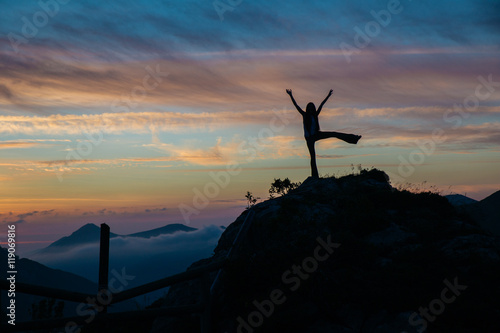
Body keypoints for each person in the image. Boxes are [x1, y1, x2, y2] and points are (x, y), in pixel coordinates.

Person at [286, 89, 361, 178]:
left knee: (334, 133)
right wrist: (291, 95)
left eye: (312, 107)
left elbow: (322, 104)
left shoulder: (315, 115)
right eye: (309, 107)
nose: (310, 109)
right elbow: (296, 105)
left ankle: (353, 138)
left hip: (317, 134)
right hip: (309, 138)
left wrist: (328, 96)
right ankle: (314, 176)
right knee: (313, 157)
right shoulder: (304, 115)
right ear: (307, 108)